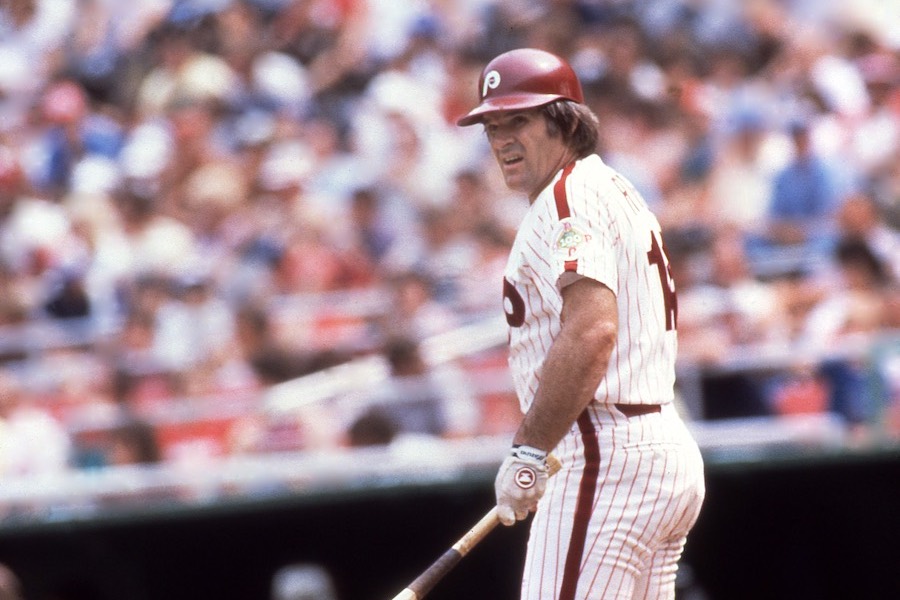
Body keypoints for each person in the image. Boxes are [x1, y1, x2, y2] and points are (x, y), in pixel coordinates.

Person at [456, 48, 706, 600]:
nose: (501, 140)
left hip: (606, 454)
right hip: (655, 443)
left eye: (518, 120)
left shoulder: (569, 198)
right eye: (491, 127)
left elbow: (593, 330)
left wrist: (527, 449)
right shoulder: (607, 186)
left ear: (564, 120)